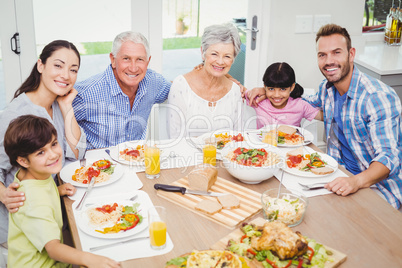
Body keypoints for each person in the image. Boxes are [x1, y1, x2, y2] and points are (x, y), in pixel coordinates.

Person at [248, 24, 402, 210]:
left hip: (374, 186)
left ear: (351, 54)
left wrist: (356, 182)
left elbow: (389, 158)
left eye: (336, 52)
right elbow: (300, 102)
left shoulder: (377, 97)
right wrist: (266, 92)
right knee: (280, 203)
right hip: (336, 174)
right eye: (322, 55)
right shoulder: (326, 89)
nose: (329, 61)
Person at [0, 40, 86, 247]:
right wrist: (4, 195)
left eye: (73, 70)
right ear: (41, 66)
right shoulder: (14, 116)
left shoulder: (57, 105)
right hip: (21, 224)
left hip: (53, 212)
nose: (65, 75)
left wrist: (67, 108)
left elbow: (77, 153)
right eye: (58, 65)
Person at [4, 115, 119, 267]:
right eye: (40, 152)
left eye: (54, 144)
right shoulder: (33, 201)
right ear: (23, 161)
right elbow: (53, 249)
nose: (53, 154)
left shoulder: (30, 176)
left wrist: (56, 190)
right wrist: (89, 259)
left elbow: (38, 193)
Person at [72, 31, 171, 149]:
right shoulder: (85, 95)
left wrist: (198, 70)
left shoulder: (153, 82)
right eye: (126, 58)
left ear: (148, 61)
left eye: (140, 59)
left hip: (135, 161)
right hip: (98, 164)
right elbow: (55, 125)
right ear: (113, 60)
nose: (133, 68)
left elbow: (178, 88)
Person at [167, 23, 243, 138]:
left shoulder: (235, 91)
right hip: (187, 155)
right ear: (203, 52)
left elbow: (238, 138)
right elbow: (176, 139)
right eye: (214, 54)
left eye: (227, 56)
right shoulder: (181, 86)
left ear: (233, 59)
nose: (220, 62)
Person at [245, 62, 322, 128]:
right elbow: (237, 88)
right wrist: (258, 90)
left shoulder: (300, 105)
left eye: (282, 89)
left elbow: (327, 117)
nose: (276, 95)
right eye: (271, 89)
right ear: (265, 86)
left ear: (292, 87)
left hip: (292, 142)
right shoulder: (257, 100)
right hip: (263, 144)